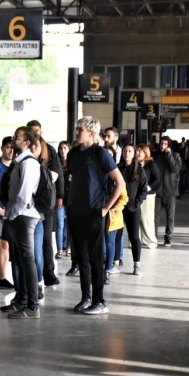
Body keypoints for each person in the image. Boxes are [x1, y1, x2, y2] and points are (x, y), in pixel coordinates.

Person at [67, 117, 125, 315]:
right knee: (80, 257)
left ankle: (100, 300)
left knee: (95, 257)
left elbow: (120, 183)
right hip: (76, 211)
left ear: (91, 133)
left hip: (94, 211)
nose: (76, 132)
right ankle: (86, 297)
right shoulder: (73, 154)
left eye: (79, 129)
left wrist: (106, 208)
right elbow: (74, 181)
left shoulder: (99, 153)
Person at [0, 127, 42, 319]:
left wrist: (11, 215)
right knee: (20, 260)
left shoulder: (28, 164)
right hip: (20, 216)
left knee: (27, 260)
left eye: (18, 136)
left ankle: (32, 306)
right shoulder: (20, 162)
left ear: (26, 143)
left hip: (25, 216)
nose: (14, 138)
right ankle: (22, 301)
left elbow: (23, 196)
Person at [26, 120, 63, 287]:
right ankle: (35, 279)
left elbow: (56, 175)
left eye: (37, 130)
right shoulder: (25, 151)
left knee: (47, 239)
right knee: (30, 244)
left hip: (47, 202)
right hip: (29, 204)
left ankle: (48, 273)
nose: (36, 134)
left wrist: (59, 196)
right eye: (32, 131)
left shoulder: (50, 150)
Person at [117, 144, 148, 276]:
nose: (127, 153)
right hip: (118, 207)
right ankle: (116, 262)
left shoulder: (139, 170)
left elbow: (143, 190)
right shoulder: (118, 168)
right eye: (125, 151)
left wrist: (136, 203)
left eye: (130, 151)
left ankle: (137, 264)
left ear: (134, 153)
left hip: (133, 208)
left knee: (134, 237)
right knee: (117, 236)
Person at [0, 137, 15, 291]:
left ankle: (3, 278)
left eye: (13, 148)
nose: (11, 151)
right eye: (7, 147)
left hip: (11, 210)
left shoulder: (17, 165)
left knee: (5, 245)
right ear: (2, 148)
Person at [153, 136, 182, 247]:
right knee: (155, 216)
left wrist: (169, 155)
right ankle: (154, 237)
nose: (162, 146)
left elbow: (176, 169)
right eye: (161, 143)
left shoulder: (175, 155)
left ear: (169, 145)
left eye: (165, 144)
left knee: (170, 216)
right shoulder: (155, 156)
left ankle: (168, 237)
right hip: (157, 190)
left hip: (171, 190)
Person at [136, 144, 160, 250]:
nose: (137, 153)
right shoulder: (134, 164)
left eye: (139, 151)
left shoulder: (151, 164)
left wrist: (147, 188)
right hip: (136, 194)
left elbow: (156, 178)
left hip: (148, 195)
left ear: (145, 153)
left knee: (147, 218)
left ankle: (151, 241)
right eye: (136, 151)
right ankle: (137, 240)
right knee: (137, 218)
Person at [57, 141, 71, 260]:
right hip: (60, 197)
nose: (63, 150)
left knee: (69, 224)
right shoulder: (57, 164)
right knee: (60, 223)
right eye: (61, 148)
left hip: (71, 197)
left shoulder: (72, 163)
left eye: (65, 148)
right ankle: (59, 249)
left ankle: (69, 247)